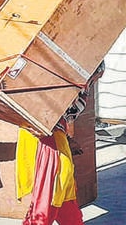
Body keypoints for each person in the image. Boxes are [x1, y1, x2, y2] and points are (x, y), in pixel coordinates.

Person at [15, 63, 104, 225]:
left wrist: (68, 140)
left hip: (47, 137)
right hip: (45, 142)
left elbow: (62, 115)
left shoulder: (64, 78)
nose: (98, 79)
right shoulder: (73, 82)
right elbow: (64, 113)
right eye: (98, 75)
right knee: (52, 192)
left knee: (63, 192)